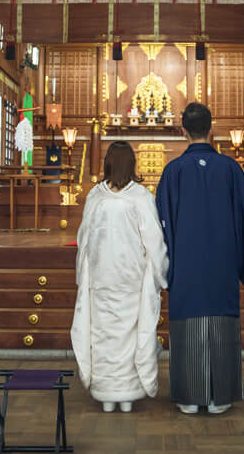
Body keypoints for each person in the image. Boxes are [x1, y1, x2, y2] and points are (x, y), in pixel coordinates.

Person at [156, 102, 244, 415]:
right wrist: (238, 257)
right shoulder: (231, 169)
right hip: (221, 264)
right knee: (221, 318)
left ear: (183, 131)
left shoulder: (172, 171)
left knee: (187, 320)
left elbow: (160, 224)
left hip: (186, 266)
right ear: (212, 128)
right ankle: (221, 396)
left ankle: (189, 397)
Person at [70, 141, 168, 413]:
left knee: (103, 334)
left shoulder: (96, 197)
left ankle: (107, 394)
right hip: (131, 277)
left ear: (108, 164)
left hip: (103, 276)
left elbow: (84, 239)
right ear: (132, 164)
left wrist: (83, 274)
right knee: (130, 332)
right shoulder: (140, 197)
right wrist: (159, 273)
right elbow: (154, 241)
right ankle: (128, 395)